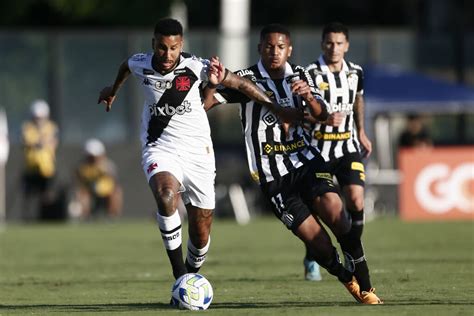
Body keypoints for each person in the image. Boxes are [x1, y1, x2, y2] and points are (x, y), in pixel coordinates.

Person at [97, 18, 290, 290]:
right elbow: (125, 68)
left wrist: (277, 108)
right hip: (160, 146)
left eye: (173, 48)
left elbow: (239, 83)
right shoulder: (140, 62)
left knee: (201, 234)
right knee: (165, 196)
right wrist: (112, 91)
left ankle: (191, 274)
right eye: (162, 48)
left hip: (198, 153)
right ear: (154, 44)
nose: (167, 55)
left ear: (181, 46)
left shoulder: (196, 67)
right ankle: (181, 277)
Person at [205, 23, 382, 304]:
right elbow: (206, 104)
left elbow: (322, 113)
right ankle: (345, 276)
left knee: (336, 210)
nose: (274, 52)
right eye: (268, 46)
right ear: (259, 48)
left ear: (290, 49)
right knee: (318, 242)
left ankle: (367, 284)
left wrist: (309, 96)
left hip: (307, 160)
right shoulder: (245, 79)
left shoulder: (300, 75)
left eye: (280, 47)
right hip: (272, 175)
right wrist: (212, 84)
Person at [303, 21, 379, 301]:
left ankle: (352, 256)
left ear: (346, 45)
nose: (333, 48)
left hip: (347, 147)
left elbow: (358, 100)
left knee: (356, 201)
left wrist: (361, 131)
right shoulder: (310, 73)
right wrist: (320, 117)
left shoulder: (355, 72)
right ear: (322, 44)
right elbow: (300, 111)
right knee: (327, 211)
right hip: (318, 152)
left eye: (339, 43)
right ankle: (313, 256)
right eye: (329, 43)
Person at [21, 99, 59, 220]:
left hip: (47, 168)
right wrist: (40, 142)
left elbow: (53, 142)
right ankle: (29, 218)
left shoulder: (52, 127)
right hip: (31, 168)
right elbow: (27, 141)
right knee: (29, 196)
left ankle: (47, 218)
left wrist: (40, 142)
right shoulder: (27, 127)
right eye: (36, 117)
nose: (38, 120)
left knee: (47, 195)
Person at [71, 138, 122, 220]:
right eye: (90, 156)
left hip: (105, 191)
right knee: (82, 194)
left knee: (115, 192)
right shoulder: (81, 167)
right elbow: (78, 183)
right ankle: (85, 217)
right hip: (88, 190)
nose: (93, 159)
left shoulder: (108, 166)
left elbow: (114, 182)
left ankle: (112, 217)